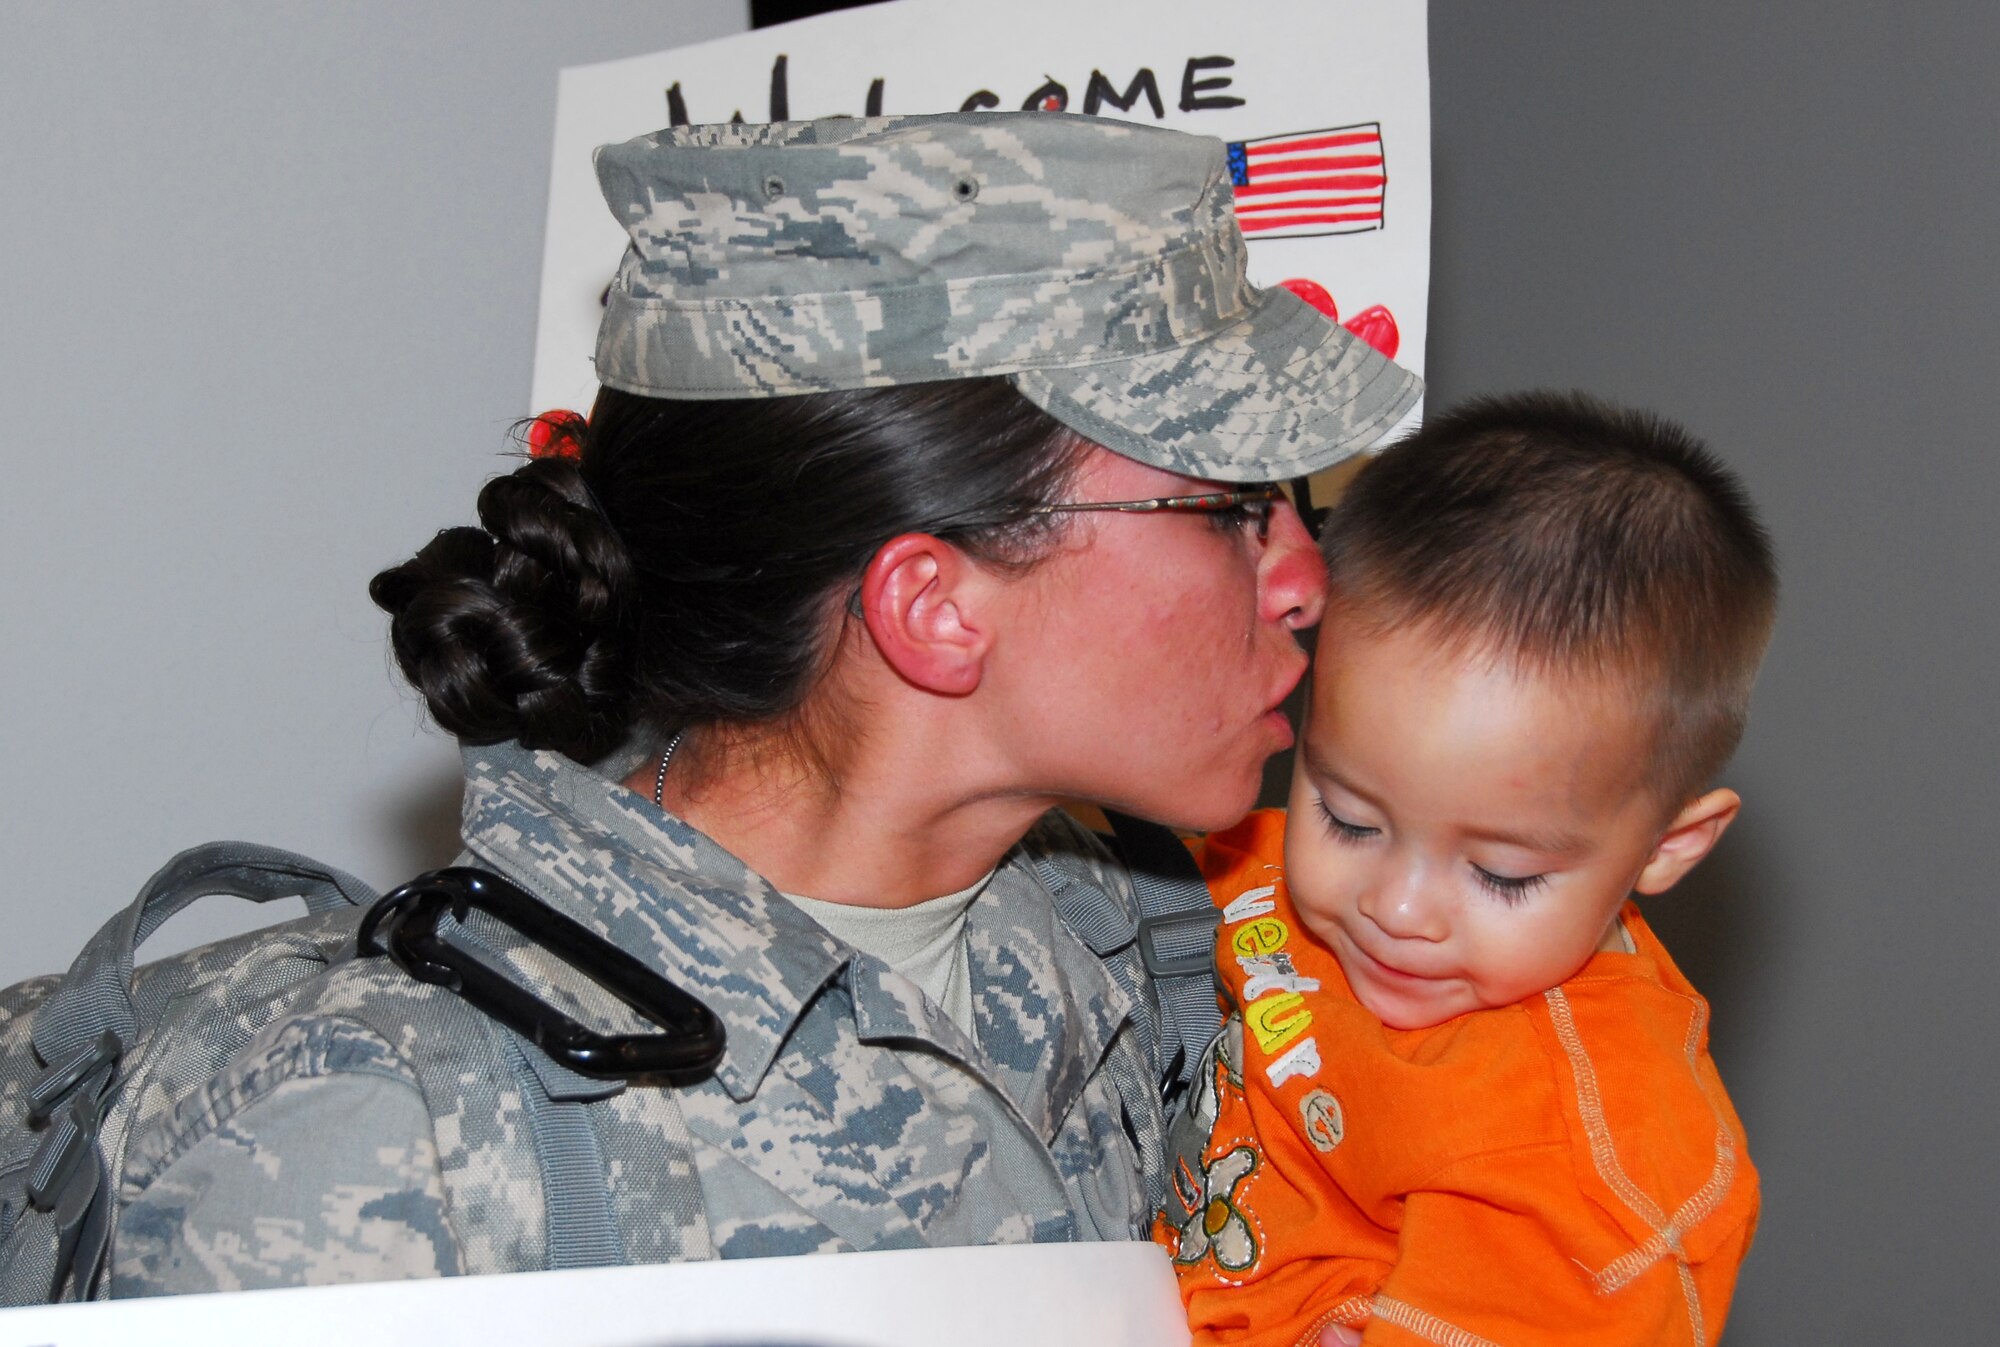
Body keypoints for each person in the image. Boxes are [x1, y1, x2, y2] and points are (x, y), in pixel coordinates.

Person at [104, 112, 1421, 1294]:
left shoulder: (1168, 939)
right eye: (1232, 511)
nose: (1305, 577)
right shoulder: (391, 1135)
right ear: (936, 609)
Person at [1157, 392, 1773, 1346]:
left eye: (1502, 875)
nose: (1397, 908)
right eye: (1350, 816)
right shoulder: (1242, 858)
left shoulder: (1588, 1174)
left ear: (1666, 847)